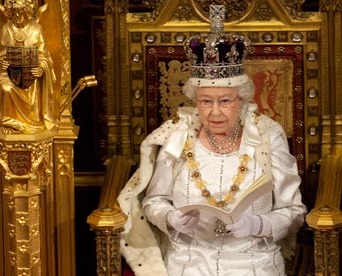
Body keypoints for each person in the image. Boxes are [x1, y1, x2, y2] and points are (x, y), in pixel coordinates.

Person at [117, 5, 306, 276]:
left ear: (241, 100)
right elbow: (154, 201)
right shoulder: (177, 136)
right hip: (188, 260)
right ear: (195, 100)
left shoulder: (268, 135)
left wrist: (258, 225)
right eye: (206, 101)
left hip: (253, 261)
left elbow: (294, 211)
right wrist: (170, 218)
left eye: (225, 101)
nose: (214, 111)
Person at [0, 0, 58, 133]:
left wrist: (41, 68)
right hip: (8, 72)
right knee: (6, 87)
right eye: (14, 14)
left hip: (30, 74)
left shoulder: (36, 29)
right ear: (10, 13)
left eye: (21, 14)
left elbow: (44, 56)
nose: (18, 19)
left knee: (31, 84)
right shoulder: (6, 29)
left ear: (28, 13)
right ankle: (8, 121)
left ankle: (33, 121)